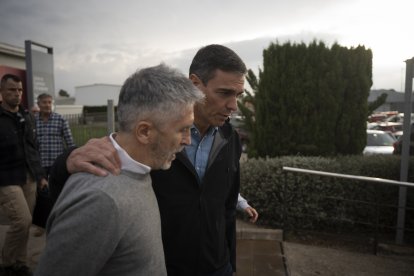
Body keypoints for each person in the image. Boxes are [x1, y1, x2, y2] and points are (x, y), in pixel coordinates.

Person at [50, 44, 247, 276]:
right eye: (224, 93)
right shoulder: (155, 138)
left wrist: (230, 264)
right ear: (195, 84)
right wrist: (66, 162)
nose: (233, 106)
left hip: (217, 267)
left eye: (238, 95)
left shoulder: (229, 138)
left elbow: (226, 208)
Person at [34, 64, 204, 276]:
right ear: (144, 132)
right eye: (183, 130)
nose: (188, 141)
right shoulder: (101, 200)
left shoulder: (141, 169)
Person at [0, 74, 47, 276]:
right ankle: (8, 262)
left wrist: (41, 175)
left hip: (29, 176)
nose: (17, 94)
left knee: (26, 224)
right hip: (5, 177)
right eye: (12, 90)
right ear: (2, 92)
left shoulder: (26, 116)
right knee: (22, 220)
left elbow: (33, 148)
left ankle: (20, 262)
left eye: (19, 90)